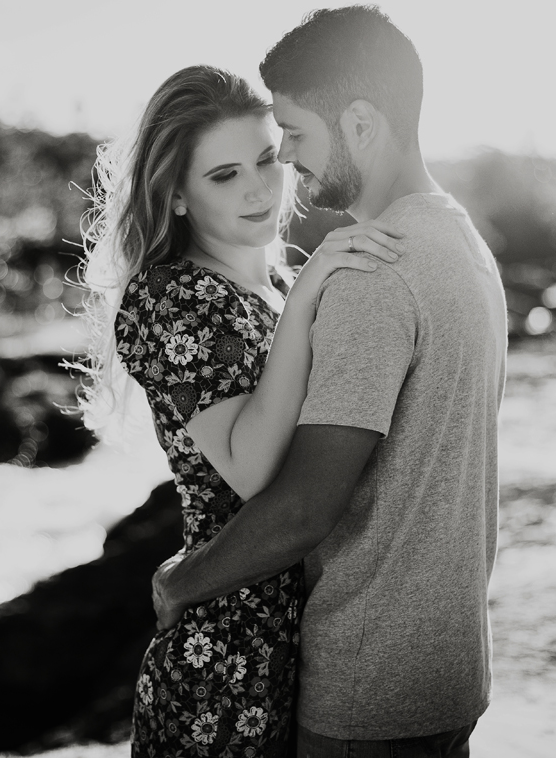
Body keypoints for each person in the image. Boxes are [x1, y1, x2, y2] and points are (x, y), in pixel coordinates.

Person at [151, 6, 509, 757]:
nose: (285, 157)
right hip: (450, 673)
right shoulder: (461, 241)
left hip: (368, 688)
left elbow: (304, 508)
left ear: (360, 124)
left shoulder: (374, 275)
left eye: (294, 133)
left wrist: (182, 582)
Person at [77, 65, 404, 756]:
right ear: (176, 195)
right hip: (224, 663)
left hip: (316, 643)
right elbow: (252, 472)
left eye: (266, 160)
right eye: (224, 175)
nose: (259, 189)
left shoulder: (279, 284)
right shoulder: (172, 298)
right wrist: (312, 289)